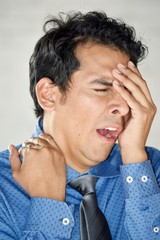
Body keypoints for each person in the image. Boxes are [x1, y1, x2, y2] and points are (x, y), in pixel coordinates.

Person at [0, 11, 160, 240]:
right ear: (48, 95)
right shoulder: (3, 188)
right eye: (102, 89)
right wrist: (48, 204)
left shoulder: (152, 172)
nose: (124, 109)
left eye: (128, 92)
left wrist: (135, 157)